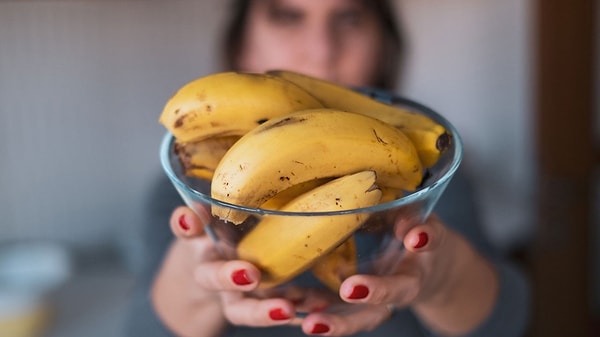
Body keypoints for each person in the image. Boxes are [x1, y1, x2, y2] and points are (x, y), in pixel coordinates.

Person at [125, 0, 530, 336]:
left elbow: (509, 319)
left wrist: (443, 278)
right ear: (242, 43)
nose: (322, 49)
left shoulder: (428, 171)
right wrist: (192, 285)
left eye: (350, 17)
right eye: (287, 16)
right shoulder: (187, 185)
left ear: (384, 43)